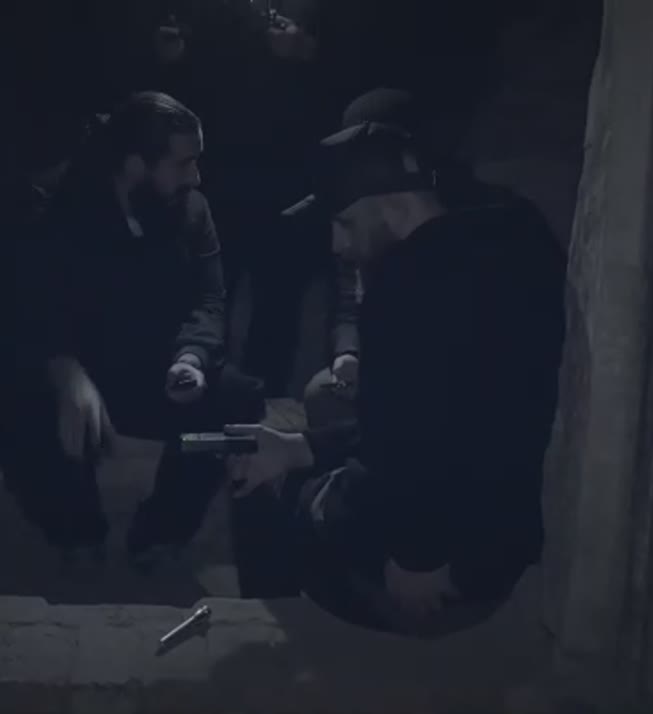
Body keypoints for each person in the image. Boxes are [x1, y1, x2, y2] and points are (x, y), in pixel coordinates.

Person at [228, 121, 566, 636]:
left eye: (345, 222)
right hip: (505, 536)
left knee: (267, 491)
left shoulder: (407, 285)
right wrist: (303, 446)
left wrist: (415, 559)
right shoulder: (515, 234)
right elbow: (450, 418)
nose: (336, 243)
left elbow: (405, 444)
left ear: (395, 206)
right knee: (303, 442)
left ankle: (287, 640)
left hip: (445, 580)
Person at [0, 91, 263, 568]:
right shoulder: (54, 215)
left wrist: (191, 359)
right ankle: (73, 526)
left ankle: (162, 529)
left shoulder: (191, 210)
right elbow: (23, 317)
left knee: (237, 401)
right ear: (135, 164)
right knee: (22, 398)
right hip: (72, 373)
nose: (196, 176)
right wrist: (64, 370)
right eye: (184, 163)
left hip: (151, 370)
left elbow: (209, 299)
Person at [301, 87, 517, 426]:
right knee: (322, 394)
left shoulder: (481, 234)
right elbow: (349, 300)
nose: (339, 243)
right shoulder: (365, 226)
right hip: (389, 374)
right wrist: (349, 354)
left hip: (454, 390)